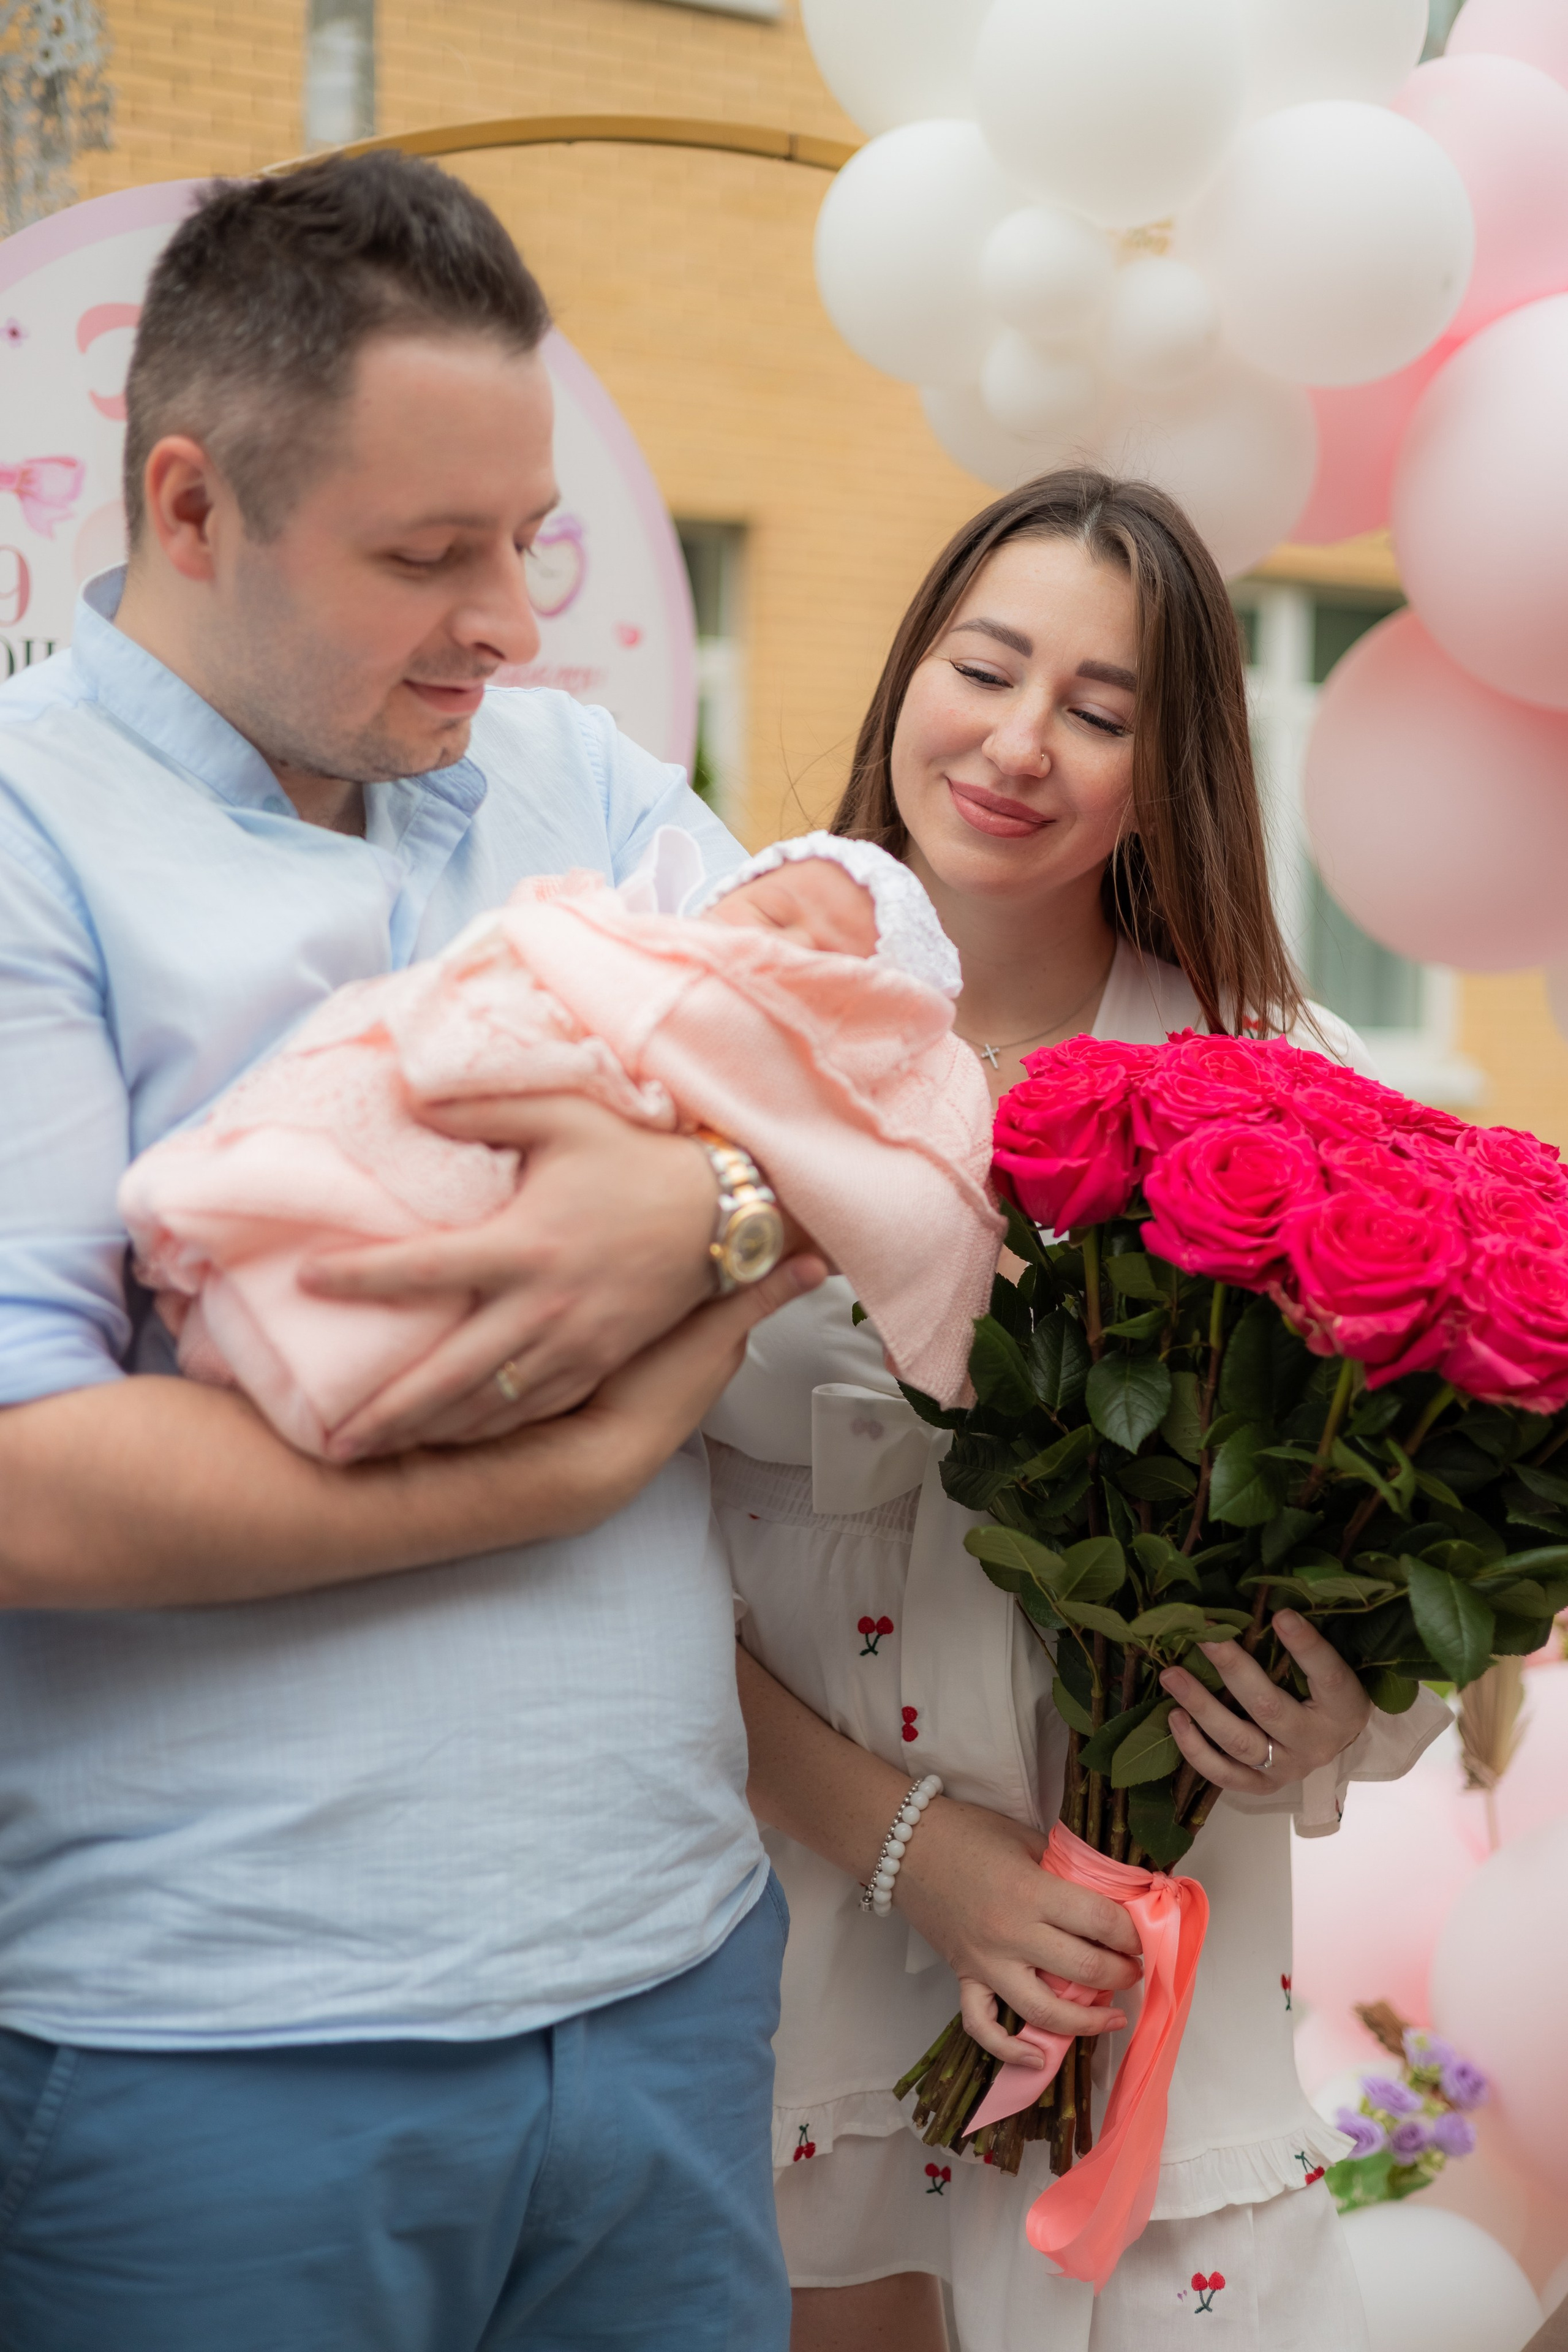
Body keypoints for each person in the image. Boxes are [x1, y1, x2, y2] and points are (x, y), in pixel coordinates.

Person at [0, 151, 826, 2352]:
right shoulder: (23, 834)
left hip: (662, 1982)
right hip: (218, 2048)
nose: (510, 623)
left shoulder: (582, 780)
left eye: (528, 542)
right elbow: (23, 1475)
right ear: (191, 509)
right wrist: (558, 1467)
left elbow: (855, 1097)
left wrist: (703, 1207)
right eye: (424, 557)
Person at [708, 472, 1450, 2351]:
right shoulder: (717, 1026)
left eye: (1104, 714)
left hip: (1135, 1973)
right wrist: (910, 1850)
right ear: (907, 678)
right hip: (774, 1924)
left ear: (1174, 763)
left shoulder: (1284, 1080)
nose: (1019, 746)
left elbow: (1402, 1536)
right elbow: (605, 1553)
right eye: (985, 667)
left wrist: (1336, 1701)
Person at [118, 829, 998, 1456]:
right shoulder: (618, 934)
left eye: (839, 965)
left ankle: (303, 1337)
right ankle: (234, 1217)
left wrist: (711, 1192)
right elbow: (533, 949)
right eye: (775, 917)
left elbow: (874, 1157)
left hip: (536, 1215)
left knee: (413, 1278)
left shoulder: (789, 1063)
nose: (797, 951)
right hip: (463, 1075)